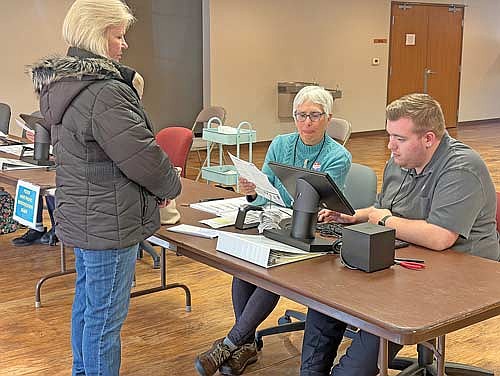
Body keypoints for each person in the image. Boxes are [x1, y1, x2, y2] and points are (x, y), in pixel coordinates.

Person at [29, 1, 181, 375]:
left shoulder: (65, 85)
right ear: (97, 37)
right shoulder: (104, 92)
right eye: (118, 35)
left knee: (88, 306)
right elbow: (141, 155)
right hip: (110, 222)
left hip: (85, 216)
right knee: (103, 321)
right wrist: (171, 184)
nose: (124, 44)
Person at [300, 93, 500, 376]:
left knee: (381, 317)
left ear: (429, 139)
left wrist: (379, 218)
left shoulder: (462, 168)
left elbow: (440, 237)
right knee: (328, 293)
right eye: (389, 135)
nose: (390, 146)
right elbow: (383, 210)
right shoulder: (401, 161)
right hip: (409, 259)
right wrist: (356, 214)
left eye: (400, 138)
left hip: (463, 274)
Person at [195, 85, 352, 376]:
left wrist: (281, 203)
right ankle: (245, 344)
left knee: (269, 273)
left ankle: (231, 343)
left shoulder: (338, 156)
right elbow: (265, 190)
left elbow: (317, 201)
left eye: (314, 115)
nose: (307, 122)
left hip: (312, 230)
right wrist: (253, 193)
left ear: (328, 118)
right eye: (301, 115)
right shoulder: (280, 143)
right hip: (275, 222)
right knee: (243, 266)